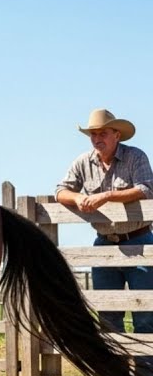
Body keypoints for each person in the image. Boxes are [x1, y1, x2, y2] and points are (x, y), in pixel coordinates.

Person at [56, 108, 153, 349]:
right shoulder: (82, 162)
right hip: (104, 243)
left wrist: (107, 196)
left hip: (138, 241)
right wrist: (77, 199)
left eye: (103, 133)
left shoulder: (135, 157)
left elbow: (146, 190)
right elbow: (60, 190)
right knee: (107, 312)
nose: (97, 139)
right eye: (93, 134)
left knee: (145, 312)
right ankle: (117, 372)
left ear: (116, 135)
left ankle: (146, 375)